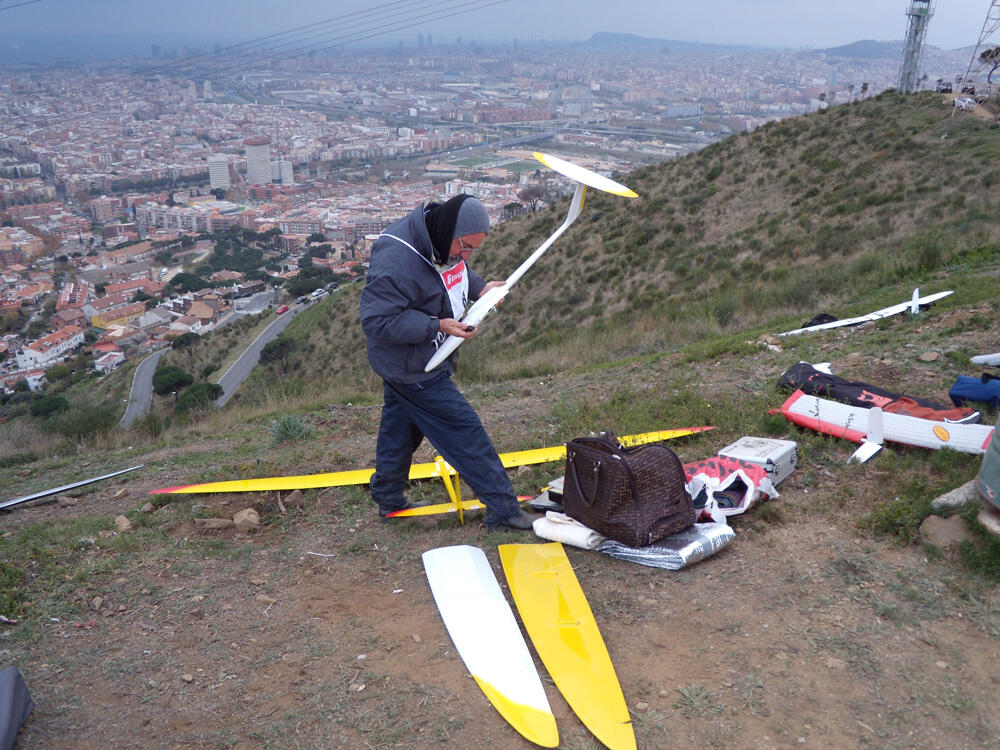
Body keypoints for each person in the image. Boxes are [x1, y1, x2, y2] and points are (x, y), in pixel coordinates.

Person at [359, 194, 535, 531]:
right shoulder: (396, 258)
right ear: (448, 231)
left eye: (473, 250)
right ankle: (503, 512)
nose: (466, 255)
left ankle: (388, 498)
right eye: (465, 246)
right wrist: (436, 325)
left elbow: (456, 270)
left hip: (410, 360)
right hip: (413, 365)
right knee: (463, 430)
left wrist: (481, 289)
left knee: (400, 429)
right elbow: (377, 321)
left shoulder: (439, 240)